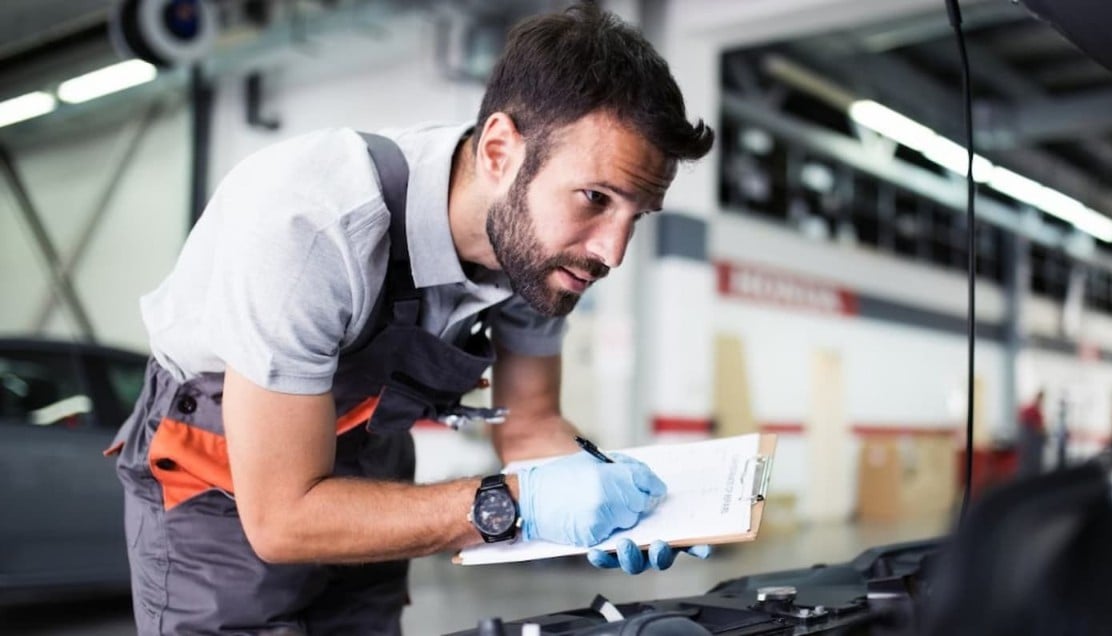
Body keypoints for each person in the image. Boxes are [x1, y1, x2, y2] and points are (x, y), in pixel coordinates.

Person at [106, 4, 714, 634]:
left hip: (371, 462)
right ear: (501, 150)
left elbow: (531, 425)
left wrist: (614, 502)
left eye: (636, 216)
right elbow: (282, 519)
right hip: (221, 479)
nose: (611, 251)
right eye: (596, 199)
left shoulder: (543, 255)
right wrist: (517, 506)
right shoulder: (312, 224)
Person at [1017, 390, 1047, 477]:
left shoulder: (1031, 410)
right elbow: (1038, 428)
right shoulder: (1033, 410)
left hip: (1028, 443)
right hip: (1032, 444)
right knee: (1032, 465)